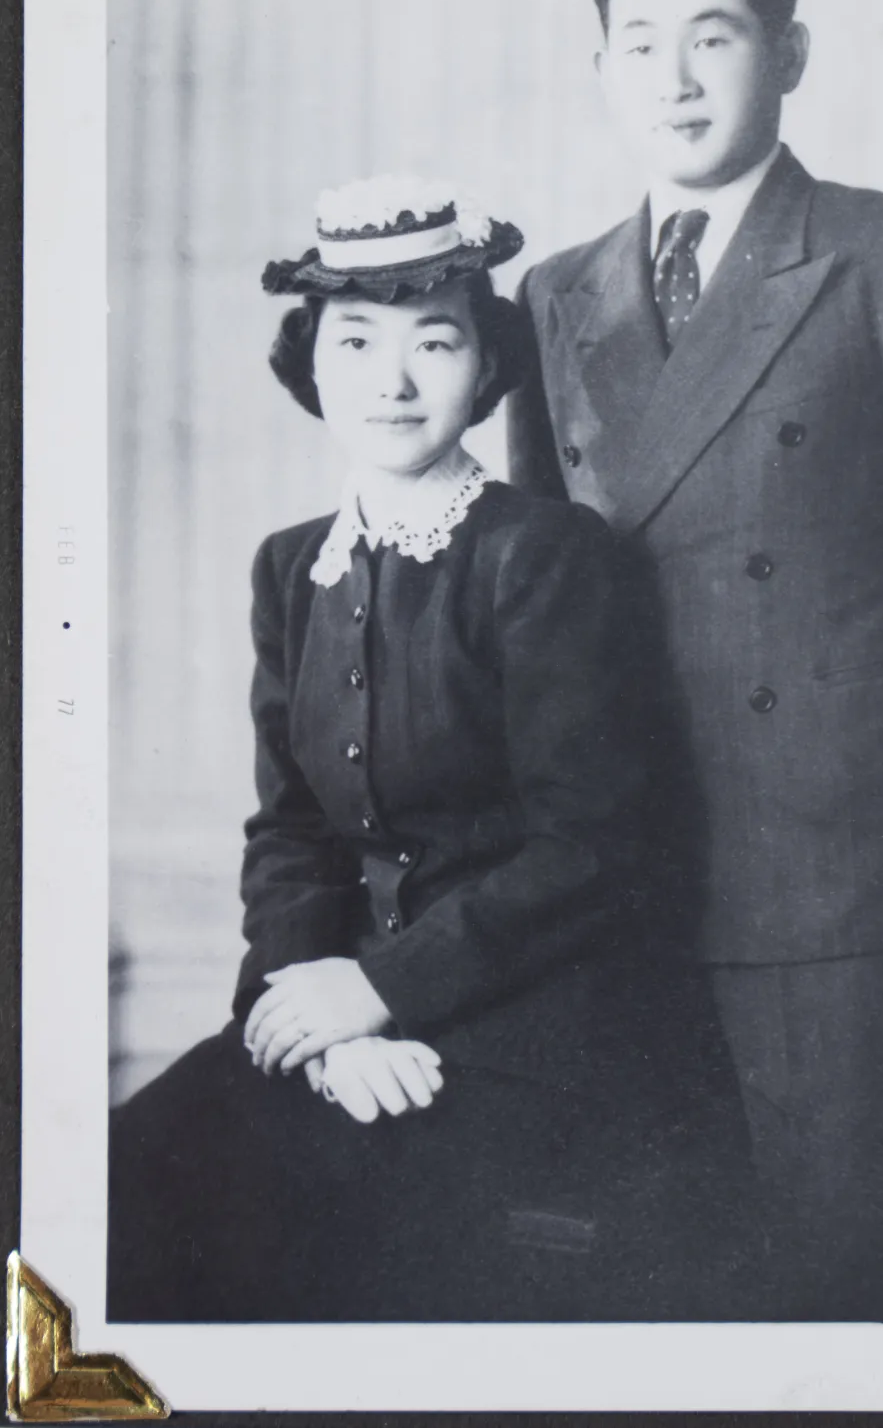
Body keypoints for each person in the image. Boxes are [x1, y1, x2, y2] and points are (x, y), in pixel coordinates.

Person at [509, 0, 883, 1319]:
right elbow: (539, 596)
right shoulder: (554, 293)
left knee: (850, 1268)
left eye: (715, 37)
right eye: (638, 45)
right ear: (601, 72)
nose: (676, 79)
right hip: (628, 867)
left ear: (793, 53)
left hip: (841, 867)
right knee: (661, 1269)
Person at [108, 174, 755, 1324]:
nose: (392, 381)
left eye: (434, 341)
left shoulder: (548, 553)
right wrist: (313, 1023)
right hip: (345, 1016)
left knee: (332, 1242)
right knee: (115, 1194)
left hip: (536, 1029)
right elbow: (291, 831)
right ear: (310, 363)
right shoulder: (289, 565)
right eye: (355, 341)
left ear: (488, 364)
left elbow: (598, 847)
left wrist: (382, 989)